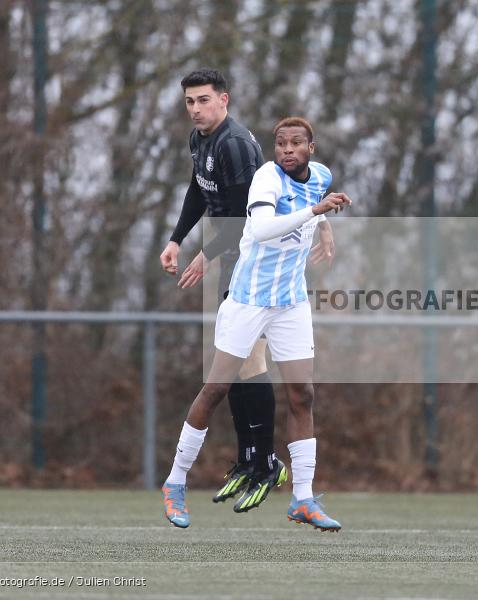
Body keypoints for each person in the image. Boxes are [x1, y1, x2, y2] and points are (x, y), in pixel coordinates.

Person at [163, 115, 349, 531]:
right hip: (248, 300)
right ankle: (175, 482)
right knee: (215, 389)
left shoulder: (320, 176)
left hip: (291, 303)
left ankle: (303, 498)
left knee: (302, 394)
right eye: (280, 142)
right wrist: (315, 213)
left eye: (296, 143)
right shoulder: (266, 179)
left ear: (310, 149)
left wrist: (325, 227)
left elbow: (314, 197)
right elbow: (262, 229)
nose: (286, 149)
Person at [159, 69, 295, 526]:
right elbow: (200, 189)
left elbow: (244, 217)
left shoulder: (235, 144)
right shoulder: (200, 139)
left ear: (224, 100)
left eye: (203, 100)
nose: (195, 108)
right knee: (238, 363)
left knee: (244, 363)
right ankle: (252, 459)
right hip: (233, 256)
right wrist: (179, 238)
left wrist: (205, 253)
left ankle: (265, 462)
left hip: (257, 261)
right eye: (189, 102)